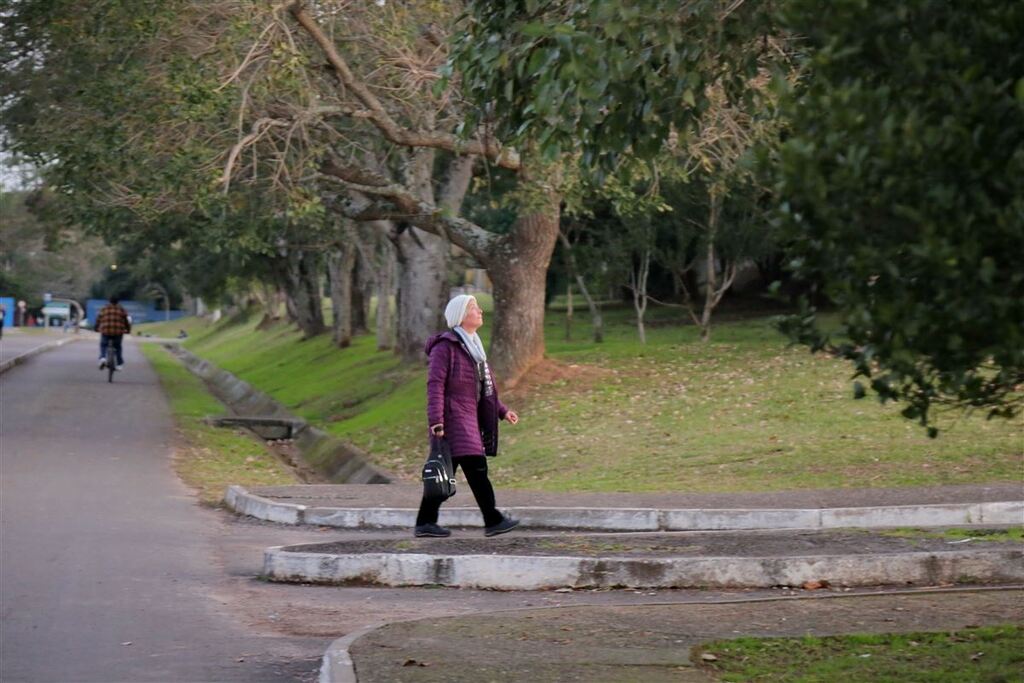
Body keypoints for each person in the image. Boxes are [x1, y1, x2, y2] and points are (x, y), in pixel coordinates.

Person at [415, 294, 521, 538]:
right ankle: (492, 519)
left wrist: (503, 411)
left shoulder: (475, 349)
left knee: (447, 471)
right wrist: (436, 421)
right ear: (461, 316)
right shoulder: (445, 347)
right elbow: (435, 385)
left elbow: (485, 390)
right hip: (453, 420)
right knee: (475, 468)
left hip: (468, 419)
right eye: (474, 308)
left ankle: (425, 522)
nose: (480, 311)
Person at [94, 296, 131, 370]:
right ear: (118, 302)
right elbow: (126, 321)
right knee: (118, 347)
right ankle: (119, 364)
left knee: (103, 344)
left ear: (109, 301)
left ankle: (103, 358)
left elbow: (98, 319)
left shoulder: (104, 308)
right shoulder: (121, 309)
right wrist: (128, 330)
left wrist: (96, 328)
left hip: (106, 330)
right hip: (118, 331)